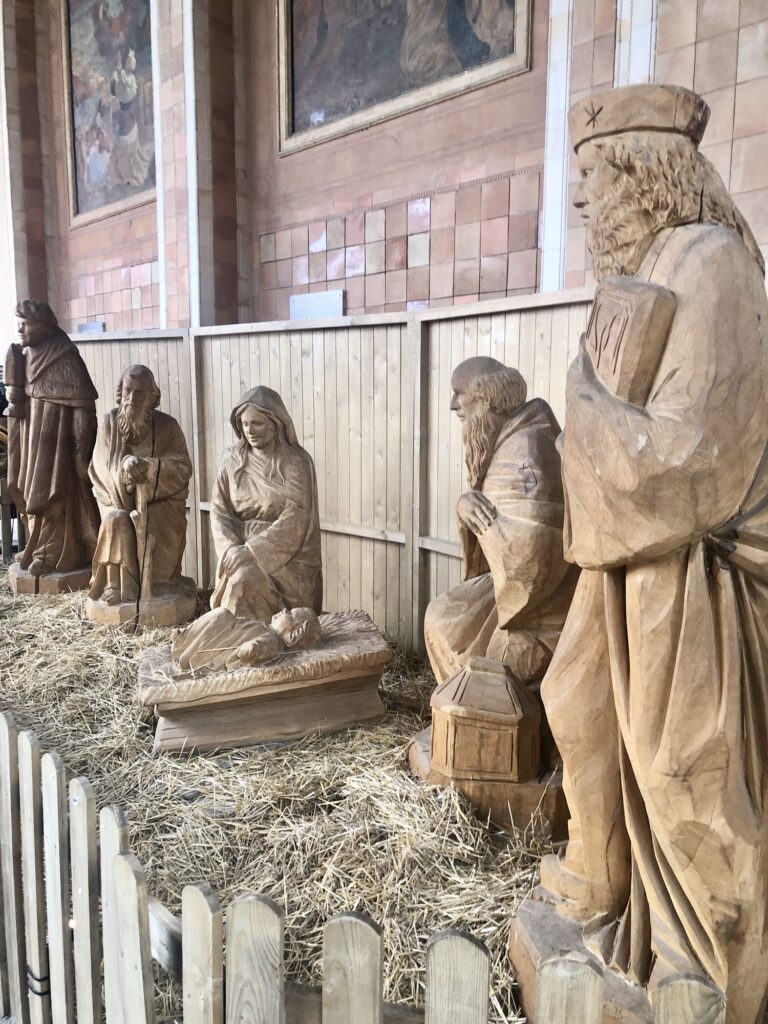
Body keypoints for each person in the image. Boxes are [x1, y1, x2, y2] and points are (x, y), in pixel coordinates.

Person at [537, 84, 768, 1021]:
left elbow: (694, 461)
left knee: (682, 771)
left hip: (696, 570)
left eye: (591, 177)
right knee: (573, 697)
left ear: (643, 169)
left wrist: (582, 404)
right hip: (630, 555)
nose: (583, 200)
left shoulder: (714, 265)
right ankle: (608, 882)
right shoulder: (657, 260)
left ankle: (707, 963)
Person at [424, 356, 578, 687]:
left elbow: (536, 555)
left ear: (487, 399)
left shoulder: (529, 448)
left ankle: (470, 717)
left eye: (459, 393)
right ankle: (459, 710)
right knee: (441, 617)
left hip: (539, 611)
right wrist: (466, 507)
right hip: (511, 588)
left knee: (452, 631)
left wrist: (485, 526)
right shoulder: (511, 437)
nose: (454, 406)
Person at [209, 386, 322, 621]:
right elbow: (219, 510)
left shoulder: (295, 462)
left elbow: (296, 519)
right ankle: (234, 640)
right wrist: (230, 548)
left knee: (242, 580)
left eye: (257, 423)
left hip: (286, 562)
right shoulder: (231, 460)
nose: (250, 431)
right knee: (239, 575)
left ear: (275, 423)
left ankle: (244, 642)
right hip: (238, 551)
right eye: (245, 424)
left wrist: (251, 551)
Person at [5, 300, 100, 577]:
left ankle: (57, 552)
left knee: (54, 494)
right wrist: (14, 396)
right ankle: (37, 545)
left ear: (45, 327)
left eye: (27, 324)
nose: (21, 330)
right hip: (31, 437)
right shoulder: (25, 356)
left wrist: (82, 451)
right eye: (18, 324)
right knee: (27, 489)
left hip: (57, 446)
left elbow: (84, 405)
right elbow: (20, 400)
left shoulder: (65, 357)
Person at [88, 364, 192, 605]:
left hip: (161, 505)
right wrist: (124, 469)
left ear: (152, 396)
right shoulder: (108, 424)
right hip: (117, 499)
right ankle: (118, 586)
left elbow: (183, 466)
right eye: (128, 391)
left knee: (161, 521)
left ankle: (160, 584)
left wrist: (148, 468)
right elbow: (101, 466)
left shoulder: (168, 426)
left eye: (140, 393)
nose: (132, 399)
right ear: (120, 392)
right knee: (115, 519)